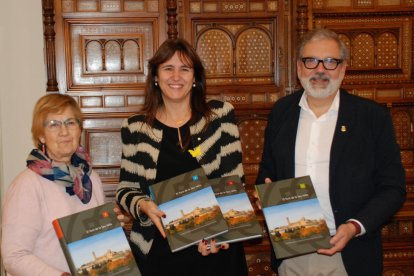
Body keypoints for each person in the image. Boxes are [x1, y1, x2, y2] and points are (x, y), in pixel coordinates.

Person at [256, 28, 407, 275]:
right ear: (298, 68)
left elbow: (393, 187)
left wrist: (355, 226)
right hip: (292, 251)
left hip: (349, 253)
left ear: (343, 68)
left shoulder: (371, 117)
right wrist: (265, 192)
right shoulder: (281, 113)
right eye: (311, 60)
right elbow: (267, 172)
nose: (320, 69)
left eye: (330, 61)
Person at [116, 38, 248, 276]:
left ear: (195, 77)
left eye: (184, 69)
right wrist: (143, 205)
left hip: (214, 247)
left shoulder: (220, 116)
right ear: (156, 76)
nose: (176, 76)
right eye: (168, 68)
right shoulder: (135, 128)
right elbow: (126, 189)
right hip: (159, 249)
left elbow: (234, 182)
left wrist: (221, 236)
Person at [1, 93, 106, 276]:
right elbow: (14, 257)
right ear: (41, 136)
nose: (64, 132)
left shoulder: (91, 179)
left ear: (79, 130)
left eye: (70, 123)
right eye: (54, 124)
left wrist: (109, 225)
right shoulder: (27, 185)